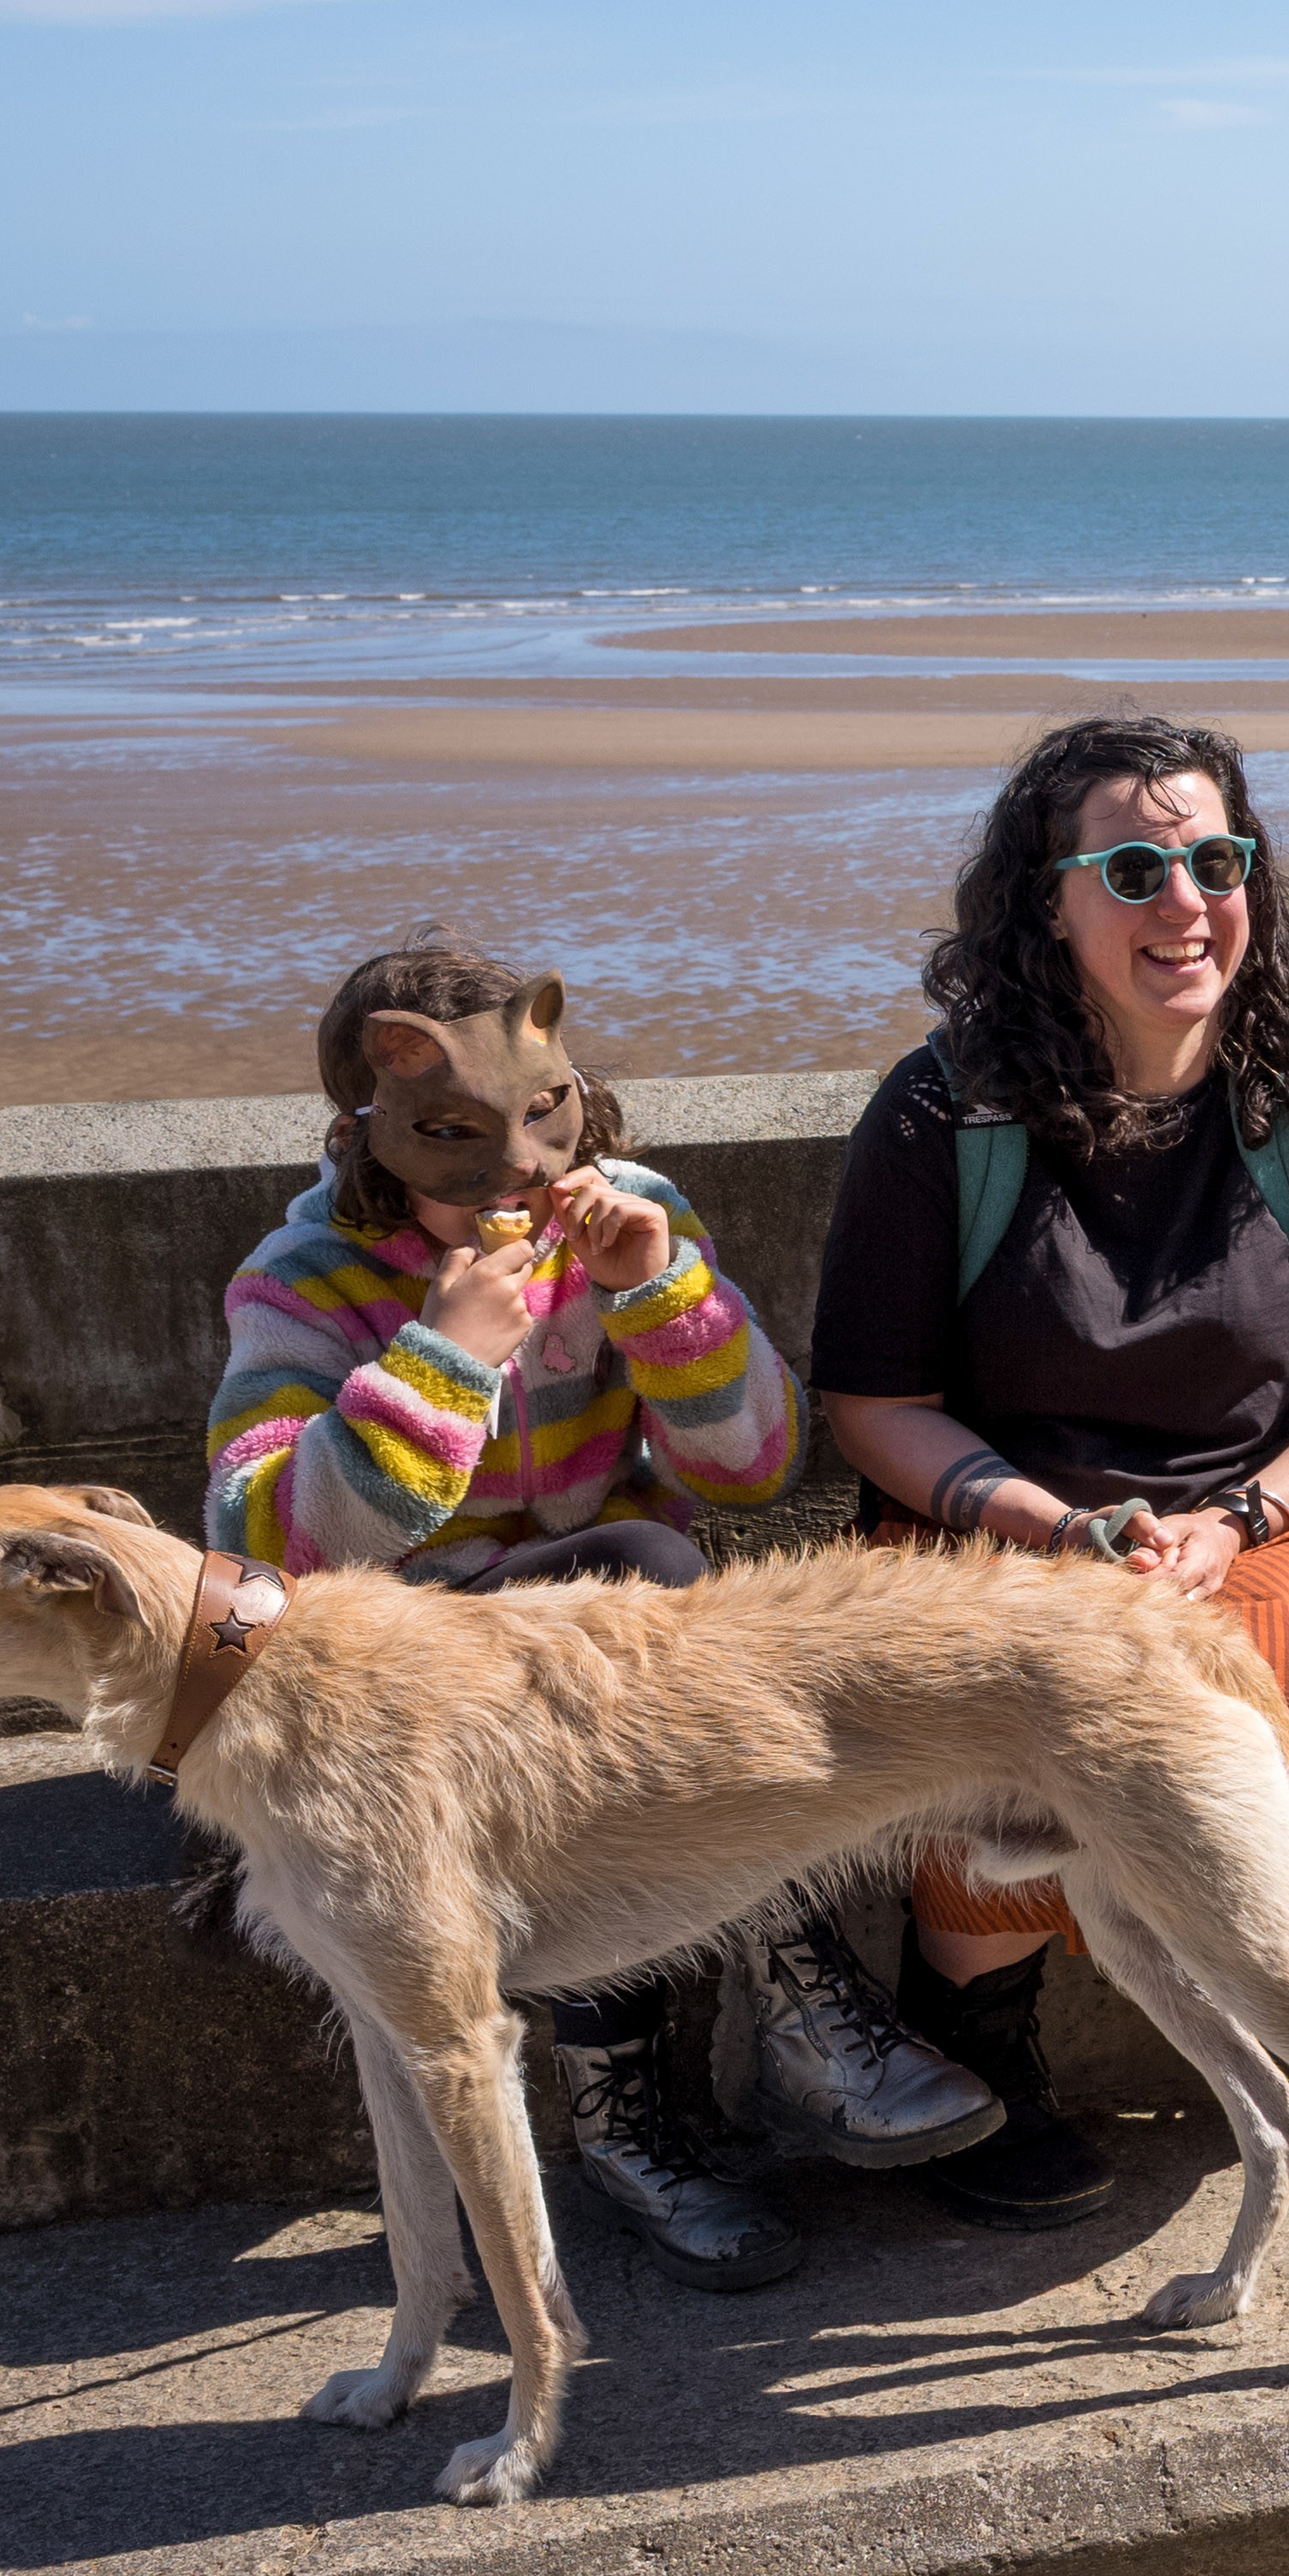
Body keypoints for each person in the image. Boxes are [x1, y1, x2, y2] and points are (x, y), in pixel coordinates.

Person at [812, 714, 1289, 2215]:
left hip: (1274, 1512)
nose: (1186, 902)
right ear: (1051, 900)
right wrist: (1040, 1520)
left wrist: (1232, 1520)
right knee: (1012, 1696)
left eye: (1218, 861)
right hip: (999, 1527)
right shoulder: (939, 1107)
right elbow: (871, 1402)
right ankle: (979, 2023)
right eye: (1137, 866)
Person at [207, 940, 959, 2291]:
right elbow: (255, 1549)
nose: (518, 1170)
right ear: (371, 1128)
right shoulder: (301, 1280)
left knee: (635, 1599)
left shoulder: (630, 1214)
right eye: (456, 1137)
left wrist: (659, 1293)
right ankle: (638, 2116)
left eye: (544, 1115)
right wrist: (439, 1363)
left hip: (622, 1642)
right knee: (584, 1682)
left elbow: (748, 1470)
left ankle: (787, 1998)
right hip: (409, 1676)